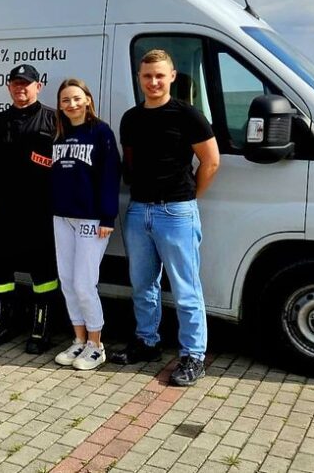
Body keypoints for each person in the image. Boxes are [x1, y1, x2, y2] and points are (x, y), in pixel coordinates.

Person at [116, 49, 220, 387]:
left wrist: (189, 199)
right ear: (139, 78)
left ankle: (193, 356)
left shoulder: (188, 115)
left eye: (160, 75)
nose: (154, 82)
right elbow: (130, 164)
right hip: (138, 210)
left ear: (172, 76)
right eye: (147, 76)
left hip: (176, 212)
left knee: (186, 289)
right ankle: (147, 341)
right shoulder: (131, 118)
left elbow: (211, 161)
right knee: (143, 285)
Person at [0, 64, 60, 353]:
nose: (21, 88)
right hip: (5, 210)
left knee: (43, 272)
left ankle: (41, 329)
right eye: (16, 83)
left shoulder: (53, 120)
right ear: (9, 87)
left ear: (39, 86)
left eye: (27, 83)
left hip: (40, 212)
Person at [51, 78, 121, 371]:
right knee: (67, 281)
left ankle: (96, 344)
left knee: (84, 283)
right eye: (66, 100)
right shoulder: (60, 134)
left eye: (77, 98)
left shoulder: (100, 132)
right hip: (62, 217)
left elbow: (110, 176)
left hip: (92, 219)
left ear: (88, 100)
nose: (72, 104)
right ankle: (79, 339)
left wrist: (107, 216)